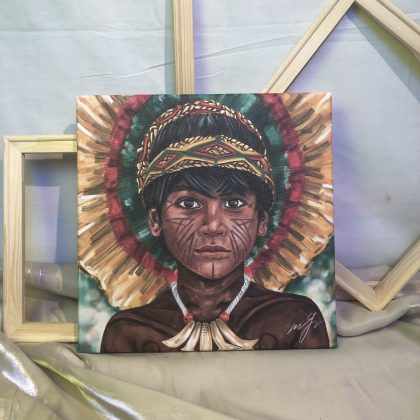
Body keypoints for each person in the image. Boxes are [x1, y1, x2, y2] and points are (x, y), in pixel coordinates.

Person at [101, 100, 329, 352]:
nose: (212, 226)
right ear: (156, 220)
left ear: (261, 221)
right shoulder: (128, 331)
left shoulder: (296, 318)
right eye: (188, 203)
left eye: (234, 203)